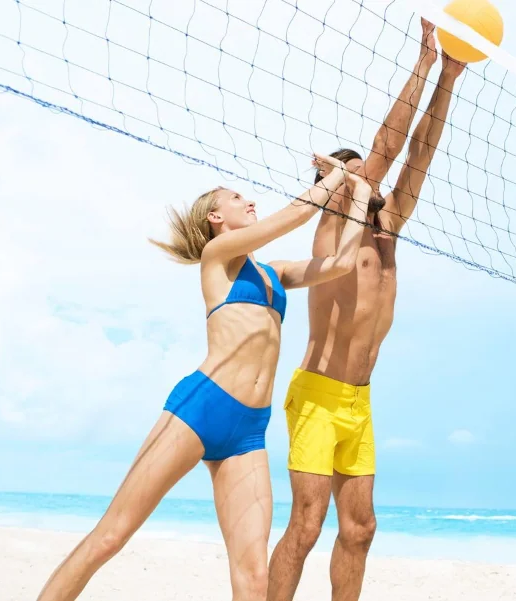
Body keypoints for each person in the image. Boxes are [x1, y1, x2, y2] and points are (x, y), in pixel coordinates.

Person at [35, 154, 373, 601]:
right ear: (216, 218)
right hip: (202, 406)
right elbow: (297, 213)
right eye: (237, 198)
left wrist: (361, 192)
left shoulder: (276, 274)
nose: (248, 201)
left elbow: (341, 263)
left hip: (249, 432)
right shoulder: (217, 257)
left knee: (253, 577)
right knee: (111, 537)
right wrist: (336, 177)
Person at [267, 21, 467, 601]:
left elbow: (420, 154)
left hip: (360, 400)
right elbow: (386, 149)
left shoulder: (388, 227)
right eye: (347, 172)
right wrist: (425, 63)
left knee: (359, 529)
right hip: (319, 396)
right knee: (306, 527)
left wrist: (449, 79)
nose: (365, 177)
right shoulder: (335, 223)